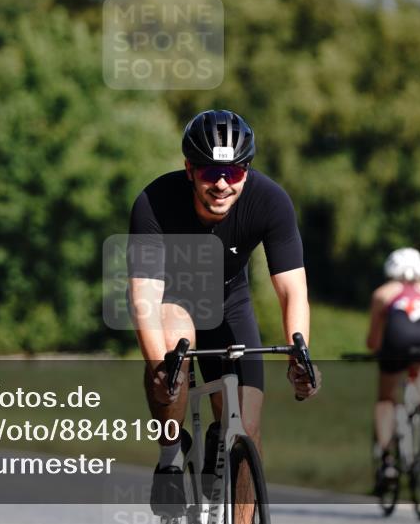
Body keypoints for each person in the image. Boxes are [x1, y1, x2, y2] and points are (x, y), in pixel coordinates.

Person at [127, 109, 320, 517]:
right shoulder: (154, 202)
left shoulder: (271, 202)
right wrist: (158, 368)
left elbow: (292, 290)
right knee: (172, 357)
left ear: (246, 172)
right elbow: (143, 294)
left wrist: (299, 355)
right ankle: (169, 456)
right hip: (173, 299)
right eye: (209, 172)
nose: (220, 184)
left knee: (246, 431)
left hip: (231, 303)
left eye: (232, 173)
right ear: (189, 169)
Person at [366, 247, 420, 490]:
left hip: (398, 339)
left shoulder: (382, 293)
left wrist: (379, 352)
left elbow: (373, 341)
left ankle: (388, 460)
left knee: (385, 399)